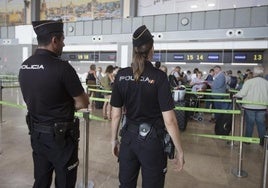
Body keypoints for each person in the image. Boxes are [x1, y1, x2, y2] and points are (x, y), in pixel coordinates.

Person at [110, 25, 184, 188]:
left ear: (134, 50)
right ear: (151, 49)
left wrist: (114, 139)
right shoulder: (159, 76)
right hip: (152, 142)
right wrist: (179, 150)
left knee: (126, 184)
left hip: (128, 139)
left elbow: (116, 115)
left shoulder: (121, 75)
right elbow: (170, 120)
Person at [19, 20, 89, 188]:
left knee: (41, 180)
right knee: (65, 182)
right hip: (61, 139)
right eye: (62, 39)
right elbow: (82, 102)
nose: (63, 44)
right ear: (54, 40)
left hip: (37, 135)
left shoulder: (25, 66)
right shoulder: (62, 68)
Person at [234, 66, 268, 146]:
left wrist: (235, 95)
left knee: (249, 123)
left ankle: (248, 140)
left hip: (249, 106)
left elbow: (243, 93)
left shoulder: (249, 82)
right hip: (262, 107)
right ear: (262, 73)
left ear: (255, 73)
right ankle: (262, 141)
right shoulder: (266, 82)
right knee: (261, 124)